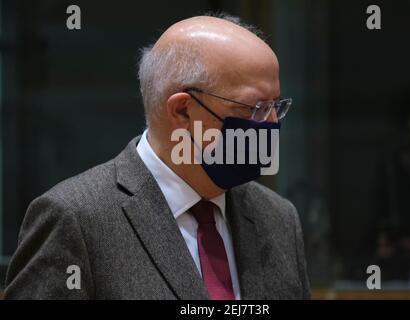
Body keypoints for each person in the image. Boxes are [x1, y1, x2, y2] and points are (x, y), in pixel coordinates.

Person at [4, 14, 310, 300]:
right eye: (254, 108)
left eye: (276, 106)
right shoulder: (74, 219)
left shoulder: (278, 218)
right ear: (182, 111)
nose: (271, 124)